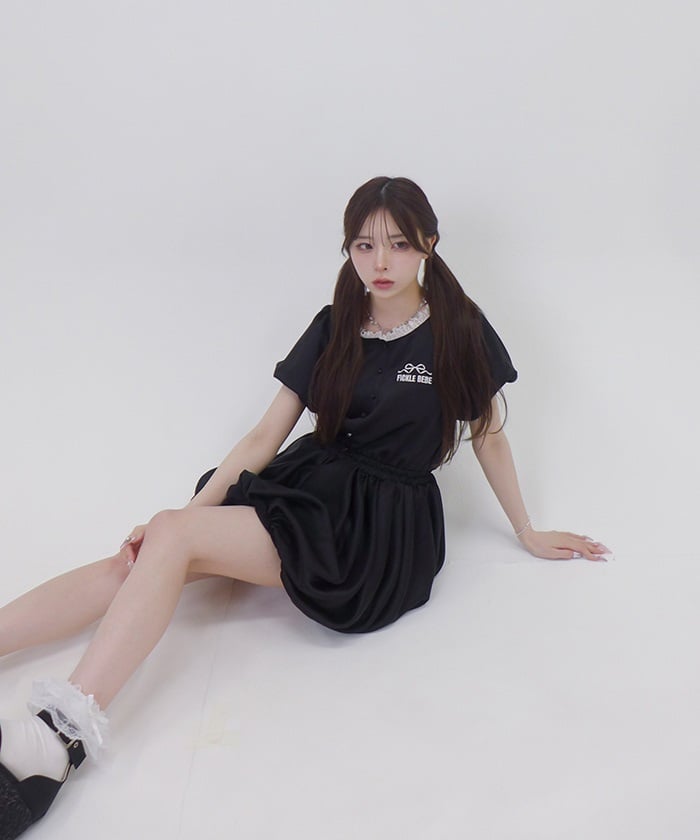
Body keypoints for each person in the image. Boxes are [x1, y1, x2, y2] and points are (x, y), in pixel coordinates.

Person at [0, 176, 611, 838]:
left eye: (399, 244)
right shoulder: (335, 323)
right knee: (143, 556)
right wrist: (182, 515)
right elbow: (264, 436)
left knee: (171, 540)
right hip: (311, 486)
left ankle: (58, 740)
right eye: (364, 245)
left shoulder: (458, 328)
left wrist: (527, 529)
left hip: (374, 532)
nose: (381, 262)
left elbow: (488, 434)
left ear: (429, 245)